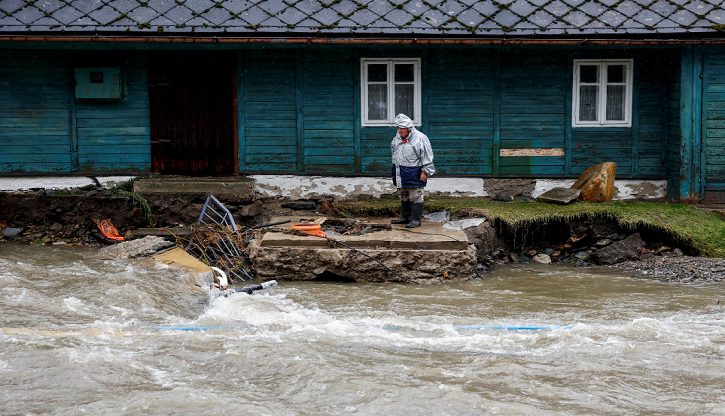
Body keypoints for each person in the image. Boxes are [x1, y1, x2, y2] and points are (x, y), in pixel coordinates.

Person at [390, 113, 435, 228]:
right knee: (403, 194)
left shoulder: (420, 138)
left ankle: (416, 219)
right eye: (398, 128)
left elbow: (426, 155)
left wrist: (426, 171)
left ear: (408, 128)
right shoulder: (397, 138)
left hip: (414, 171)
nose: (399, 130)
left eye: (402, 128)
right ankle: (406, 217)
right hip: (399, 171)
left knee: (415, 195)